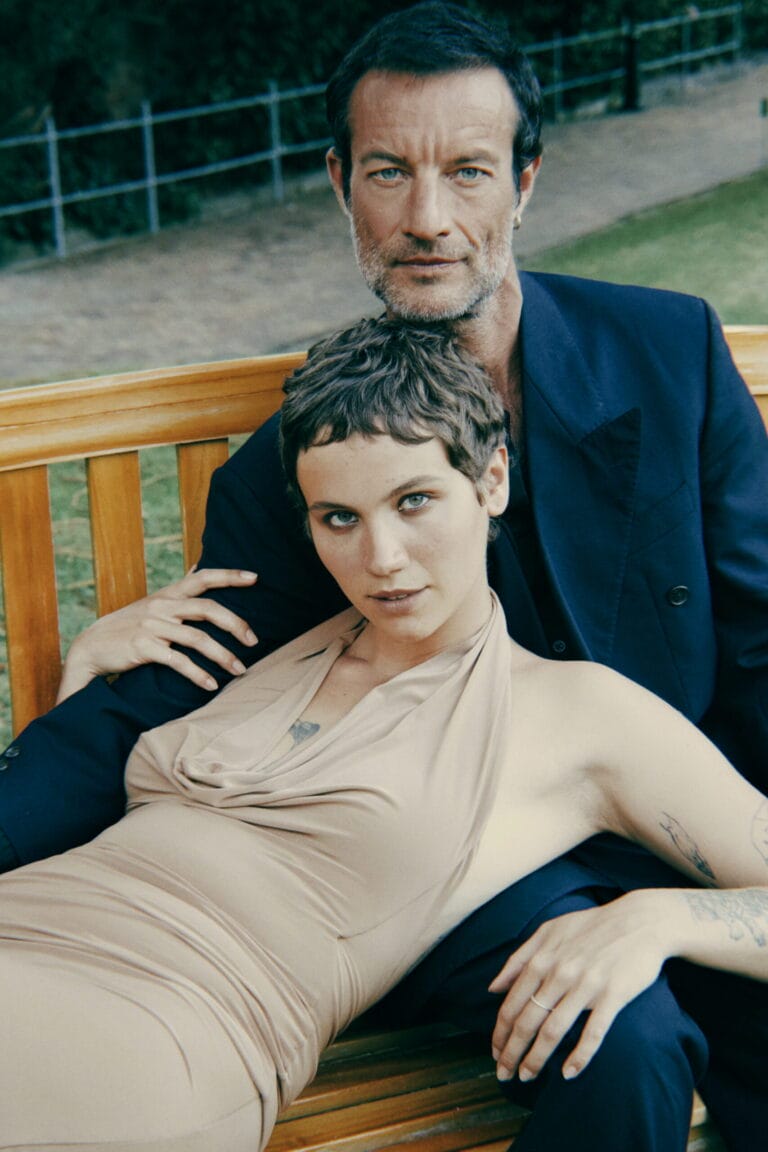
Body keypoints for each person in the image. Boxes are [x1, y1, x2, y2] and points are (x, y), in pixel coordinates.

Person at [1, 3, 766, 1149]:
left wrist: (698, 894)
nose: (427, 219)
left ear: (525, 183)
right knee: (620, 1040)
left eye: (468, 172)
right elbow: (183, 685)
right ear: (340, 185)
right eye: (388, 173)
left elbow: (760, 638)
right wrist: (101, 678)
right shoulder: (292, 464)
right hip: (423, 862)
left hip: (672, 815)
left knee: (646, 1030)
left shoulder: (664, 354)